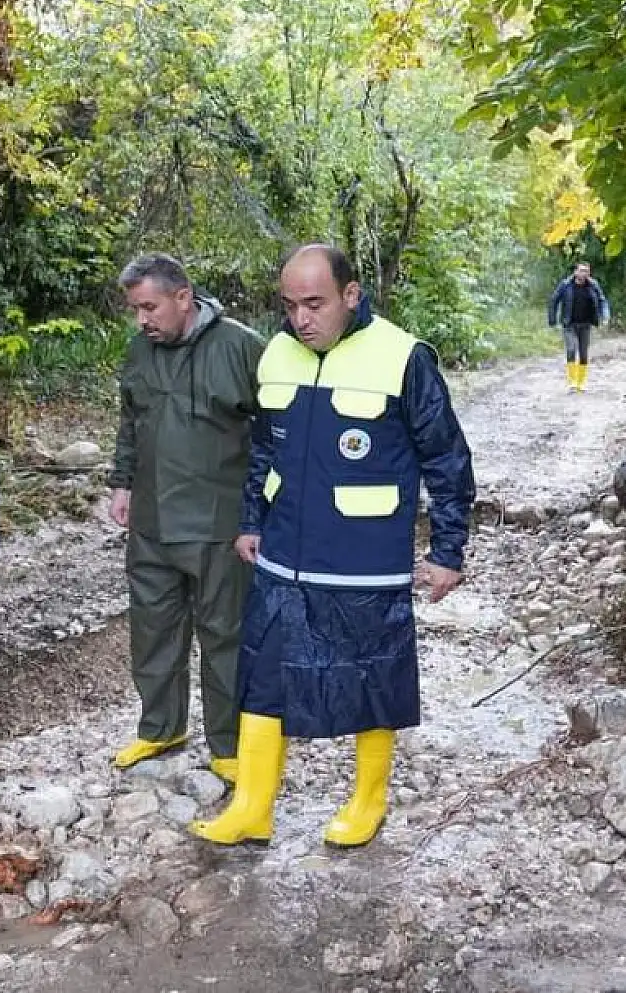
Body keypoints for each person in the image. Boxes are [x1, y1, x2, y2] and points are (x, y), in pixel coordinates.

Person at [190, 244, 475, 849]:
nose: (301, 319)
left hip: (364, 560)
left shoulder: (404, 358)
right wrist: (250, 520)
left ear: (351, 294)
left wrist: (448, 550)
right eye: (290, 305)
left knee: (372, 678)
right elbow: (263, 451)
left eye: (315, 304)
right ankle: (252, 806)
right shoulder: (277, 354)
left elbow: (447, 459)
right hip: (281, 555)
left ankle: (367, 801)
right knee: (263, 678)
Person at [106, 254, 265, 784]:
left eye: (149, 307)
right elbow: (131, 420)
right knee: (152, 630)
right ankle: (161, 727)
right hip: (151, 520)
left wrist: (261, 513)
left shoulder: (241, 347)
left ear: (183, 297)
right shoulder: (140, 350)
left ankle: (229, 743)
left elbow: (275, 432)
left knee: (224, 636)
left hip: (219, 523)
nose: (141, 320)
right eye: (135, 310)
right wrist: (121, 483)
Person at [547, 261, 611, 392]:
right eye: (581, 270)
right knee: (571, 349)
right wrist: (552, 320)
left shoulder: (593, 285)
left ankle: (581, 383)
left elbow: (602, 300)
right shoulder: (565, 285)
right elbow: (554, 300)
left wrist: (605, 315)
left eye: (586, 271)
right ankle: (572, 382)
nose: (584, 274)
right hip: (569, 324)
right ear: (575, 272)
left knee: (583, 353)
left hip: (586, 324)